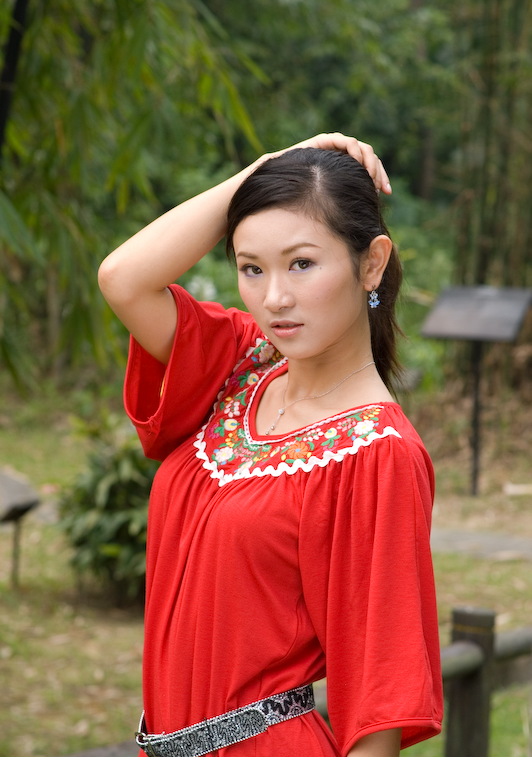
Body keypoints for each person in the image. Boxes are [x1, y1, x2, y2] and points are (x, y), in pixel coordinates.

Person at [98, 133, 443, 757]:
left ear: (371, 263)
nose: (275, 298)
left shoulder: (377, 453)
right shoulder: (238, 364)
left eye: (302, 264)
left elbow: (379, 699)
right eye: (251, 268)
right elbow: (123, 279)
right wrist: (265, 170)